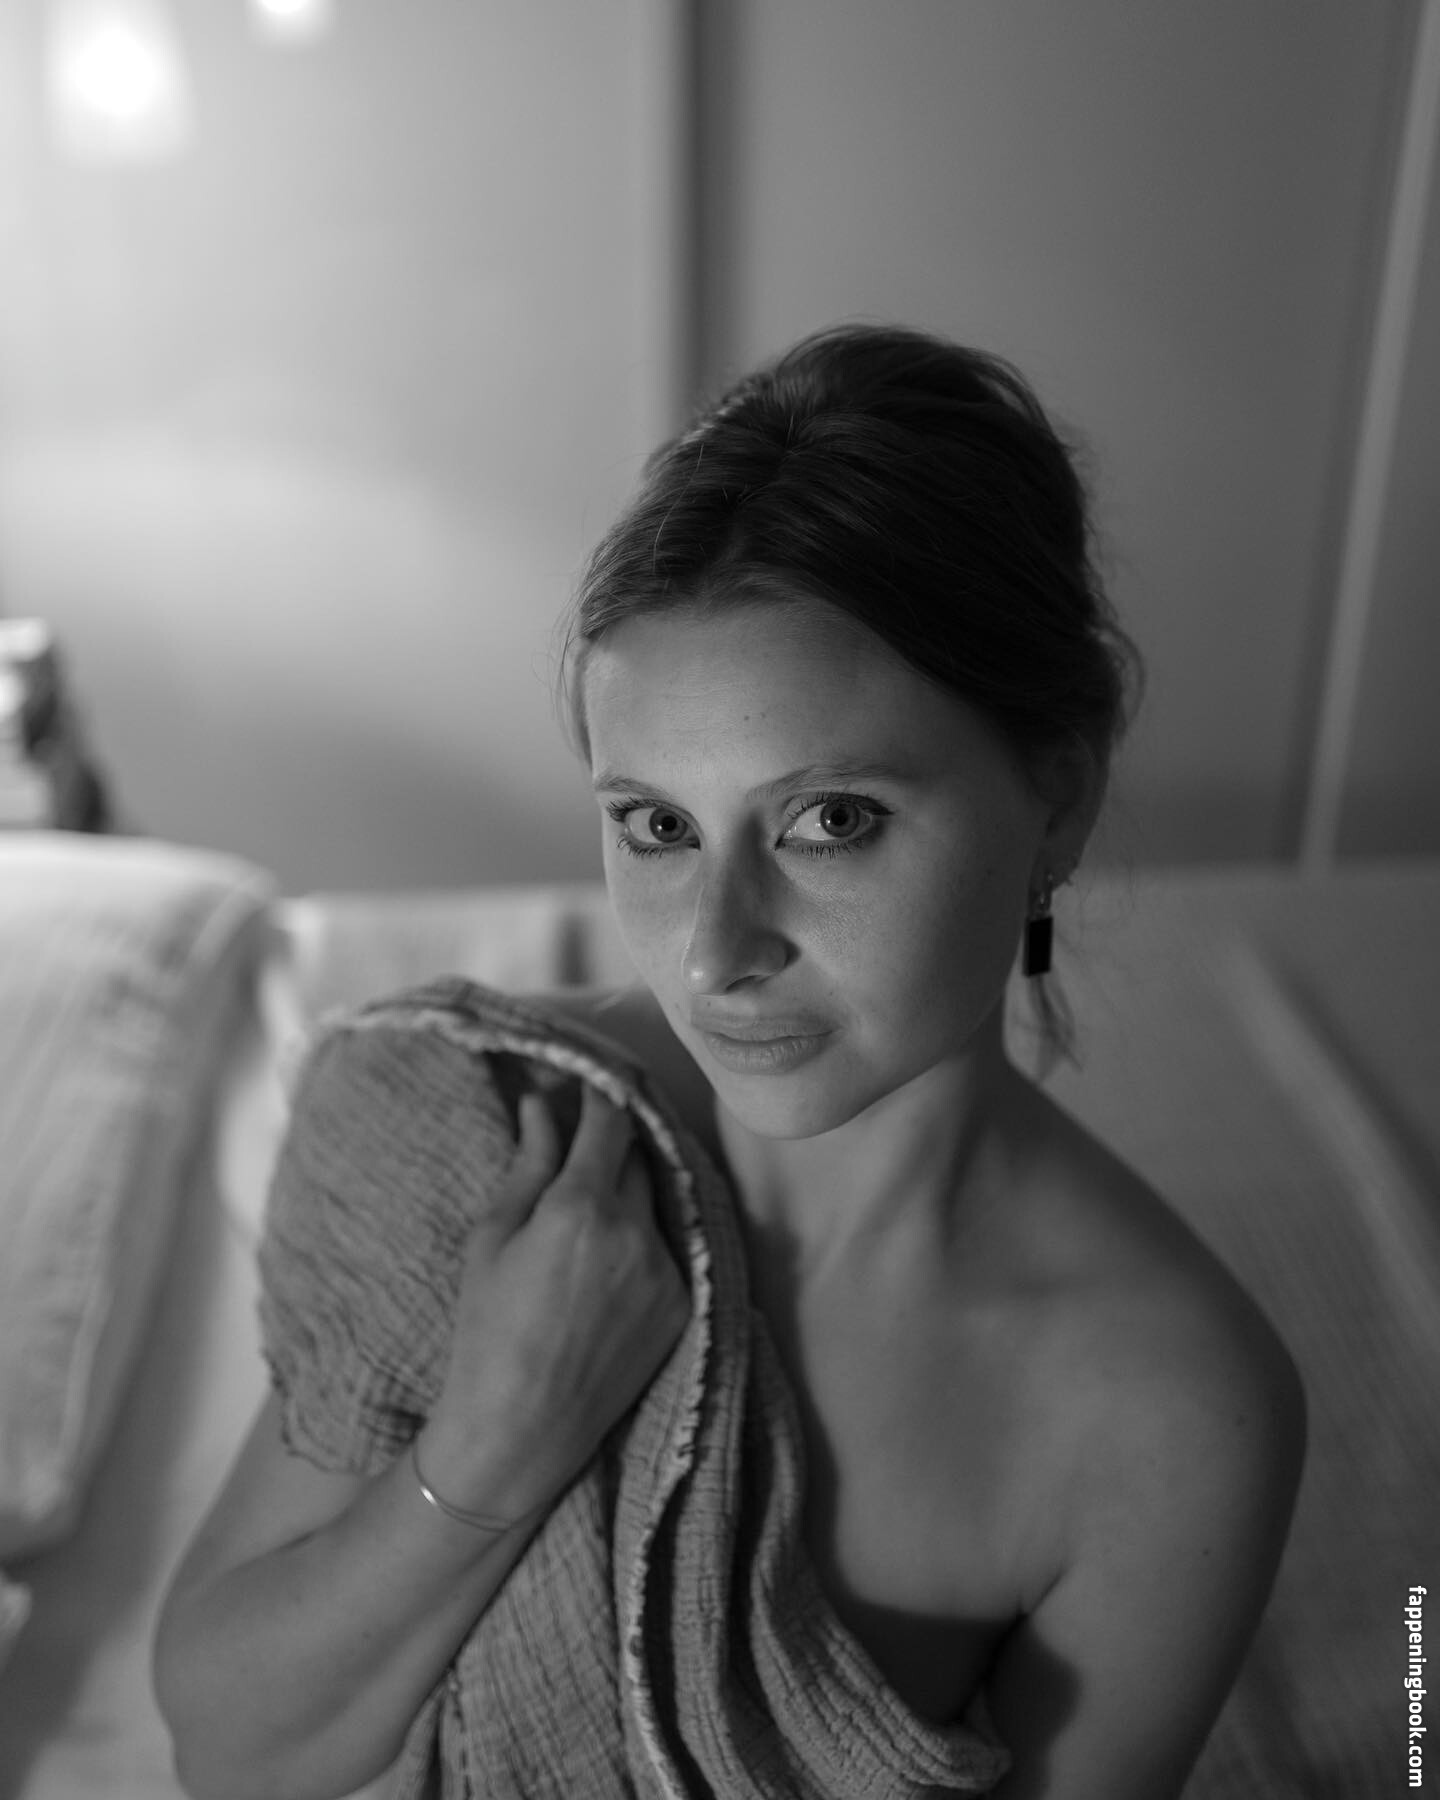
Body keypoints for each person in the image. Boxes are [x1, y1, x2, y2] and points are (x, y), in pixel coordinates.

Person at [154, 323, 1306, 1800]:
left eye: (831, 821)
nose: (713, 953)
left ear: (1061, 800)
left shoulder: (1170, 1415)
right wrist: (495, 1445)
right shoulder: (475, 1124)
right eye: (658, 827)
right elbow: (234, 1752)